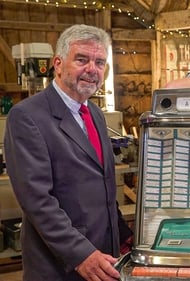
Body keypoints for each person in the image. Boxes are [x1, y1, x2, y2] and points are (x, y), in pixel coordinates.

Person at [4, 24, 132, 281]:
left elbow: (104, 185)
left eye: (99, 62)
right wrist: (81, 254)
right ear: (58, 63)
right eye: (82, 59)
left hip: (104, 257)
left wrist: (125, 235)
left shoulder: (94, 113)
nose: (92, 69)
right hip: (61, 265)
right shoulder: (27, 116)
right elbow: (38, 201)